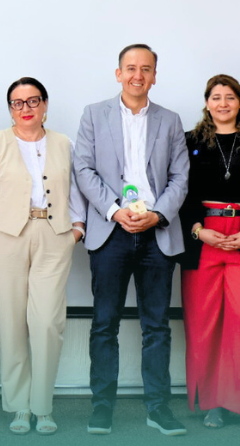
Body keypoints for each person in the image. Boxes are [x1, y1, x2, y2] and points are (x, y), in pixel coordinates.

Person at [73, 44, 190, 436]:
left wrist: (157, 215)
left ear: (154, 75)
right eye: (130, 68)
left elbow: (180, 177)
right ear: (118, 73)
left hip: (157, 233)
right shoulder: (94, 114)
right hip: (111, 232)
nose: (138, 75)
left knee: (156, 326)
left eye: (146, 69)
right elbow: (83, 169)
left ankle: (158, 408)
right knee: (104, 323)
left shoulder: (170, 120)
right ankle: (102, 407)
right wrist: (114, 210)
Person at [0, 77, 86, 435]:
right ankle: (19, 405)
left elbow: (76, 193)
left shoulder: (65, 144)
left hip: (54, 236)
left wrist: (76, 231)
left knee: (47, 323)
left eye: (33, 101)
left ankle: (43, 406)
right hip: (6, 239)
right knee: (11, 324)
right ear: (10, 109)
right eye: (17, 103)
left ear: (45, 104)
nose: (26, 108)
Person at [178, 74, 240, 433]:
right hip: (203, 241)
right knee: (205, 327)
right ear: (206, 103)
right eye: (216, 97)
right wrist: (199, 230)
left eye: (229, 97)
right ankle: (213, 403)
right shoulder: (189, 142)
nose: (222, 104)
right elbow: (179, 193)